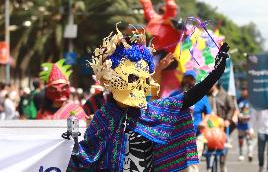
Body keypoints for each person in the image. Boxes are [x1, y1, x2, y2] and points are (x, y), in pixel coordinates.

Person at [67, 25, 230, 171]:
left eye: (142, 79)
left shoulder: (151, 112)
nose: (137, 83)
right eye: (132, 78)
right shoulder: (103, 117)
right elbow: (84, 158)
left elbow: (188, 99)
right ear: (113, 79)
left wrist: (215, 73)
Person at [170, 70, 211, 161]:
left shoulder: (201, 96)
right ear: (182, 79)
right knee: (179, 166)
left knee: (192, 164)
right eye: (186, 78)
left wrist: (204, 122)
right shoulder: (174, 95)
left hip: (196, 136)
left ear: (194, 81)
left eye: (191, 79)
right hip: (178, 137)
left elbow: (208, 112)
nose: (188, 81)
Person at [207, 83, 237, 172]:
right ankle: (210, 167)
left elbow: (232, 108)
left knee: (222, 148)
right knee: (211, 148)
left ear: (215, 84)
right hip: (210, 127)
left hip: (222, 126)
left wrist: (228, 119)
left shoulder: (225, 95)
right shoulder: (206, 96)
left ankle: (222, 164)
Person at [237, 87, 253, 161]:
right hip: (241, 123)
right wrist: (239, 115)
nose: (244, 93)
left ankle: (250, 153)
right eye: (242, 91)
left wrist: (250, 116)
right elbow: (236, 109)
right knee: (241, 139)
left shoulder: (251, 100)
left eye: (245, 91)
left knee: (249, 138)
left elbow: (253, 110)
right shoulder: (239, 100)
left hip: (249, 123)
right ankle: (241, 154)